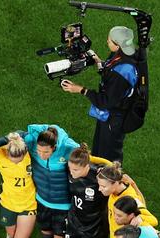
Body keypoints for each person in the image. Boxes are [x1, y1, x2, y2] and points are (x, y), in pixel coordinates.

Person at [12, 125, 79, 238]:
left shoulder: (68, 148)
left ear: (54, 148)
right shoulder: (33, 142)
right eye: (39, 151)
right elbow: (17, 136)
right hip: (41, 202)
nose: (41, 155)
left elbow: (86, 160)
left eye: (46, 152)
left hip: (63, 206)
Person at [60, 25, 141, 161]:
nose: (107, 42)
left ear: (118, 45)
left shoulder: (122, 72)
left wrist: (80, 89)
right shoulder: (126, 53)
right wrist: (99, 62)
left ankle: (109, 180)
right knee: (98, 153)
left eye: (109, 40)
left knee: (107, 159)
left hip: (114, 119)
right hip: (110, 116)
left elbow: (105, 102)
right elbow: (111, 71)